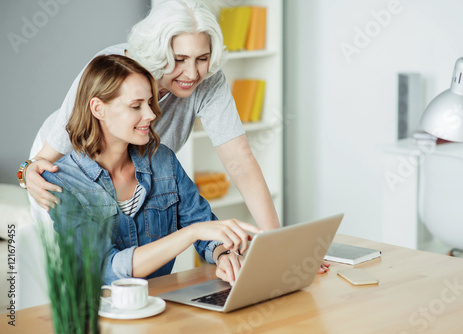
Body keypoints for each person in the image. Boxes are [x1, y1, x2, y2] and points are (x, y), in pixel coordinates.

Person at [22, 0, 280, 232]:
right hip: (75, 162)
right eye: (179, 59)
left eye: (202, 58)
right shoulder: (112, 67)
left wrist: (275, 240)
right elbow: (44, 159)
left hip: (135, 172)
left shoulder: (208, 80)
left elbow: (240, 161)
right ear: (158, 51)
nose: (192, 74)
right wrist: (28, 172)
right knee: (78, 270)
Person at [42, 54, 261, 285]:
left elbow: (202, 225)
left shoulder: (163, 160)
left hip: (160, 306)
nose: (151, 114)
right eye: (136, 106)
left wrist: (224, 255)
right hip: (99, 314)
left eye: (149, 102)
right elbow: (106, 269)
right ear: (98, 109)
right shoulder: (62, 181)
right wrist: (192, 232)